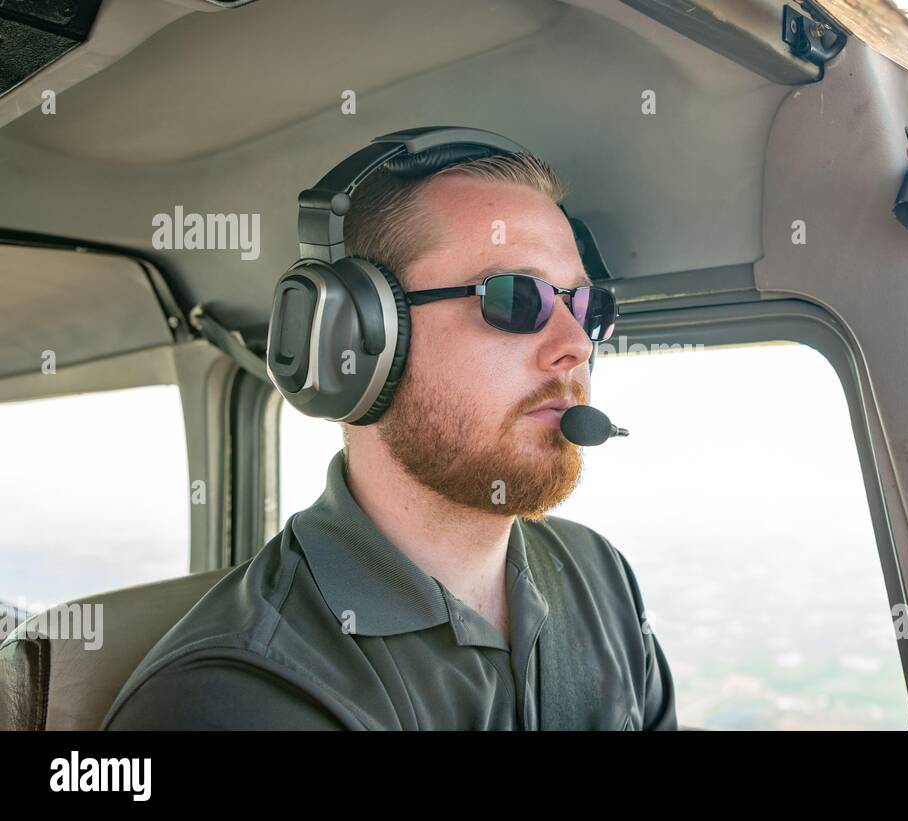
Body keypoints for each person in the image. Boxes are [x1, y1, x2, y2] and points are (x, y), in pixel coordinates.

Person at [102, 144, 676, 730]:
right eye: (513, 298)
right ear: (353, 342)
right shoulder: (237, 696)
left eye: (586, 305)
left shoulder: (598, 573)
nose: (577, 343)